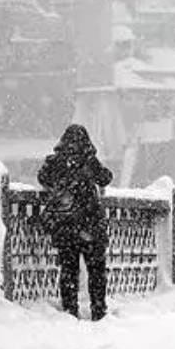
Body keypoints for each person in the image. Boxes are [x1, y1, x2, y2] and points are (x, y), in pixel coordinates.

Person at [37, 124, 115, 320]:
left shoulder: (55, 162)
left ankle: (70, 310)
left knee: (69, 270)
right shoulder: (89, 161)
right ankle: (98, 309)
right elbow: (106, 178)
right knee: (96, 270)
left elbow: (42, 177)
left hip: (66, 226)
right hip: (90, 224)